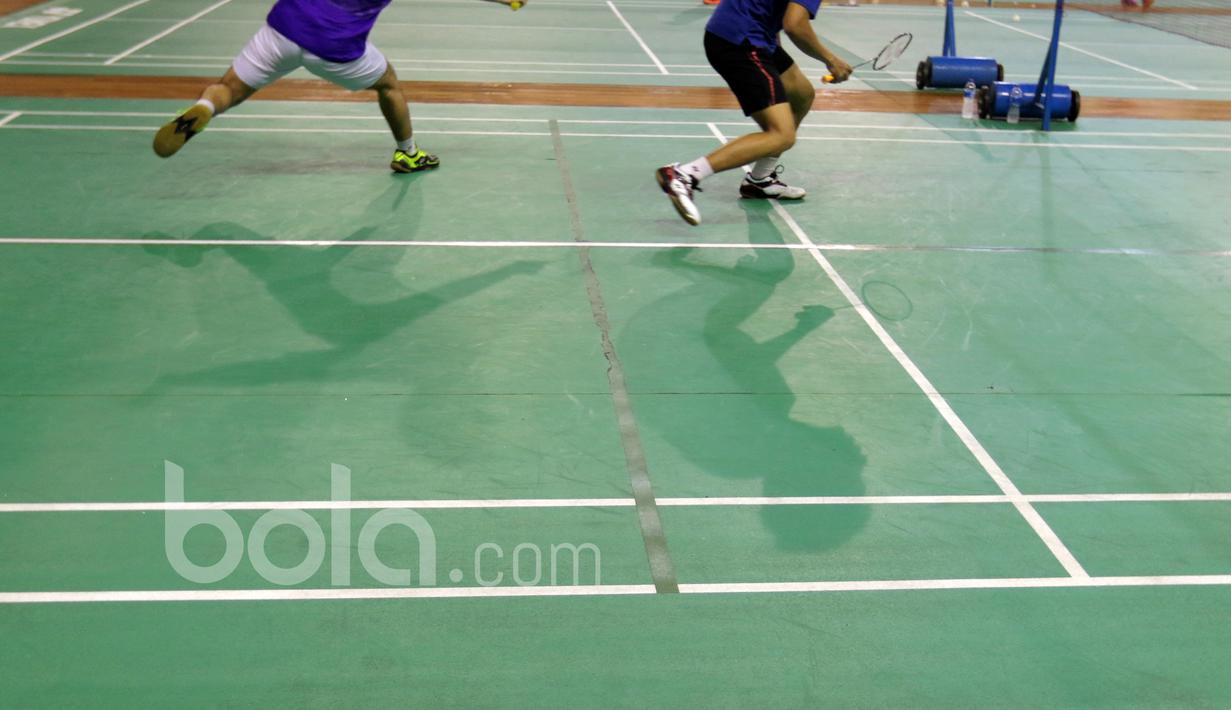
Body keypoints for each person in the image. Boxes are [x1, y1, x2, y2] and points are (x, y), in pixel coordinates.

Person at [152, 0, 525, 172]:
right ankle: (408, 153)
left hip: (285, 25)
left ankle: (205, 108)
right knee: (389, 85)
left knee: (229, 88)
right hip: (333, 46)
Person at [656, 0, 851, 225]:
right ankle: (685, 175)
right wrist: (832, 60)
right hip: (742, 41)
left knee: (801, 94)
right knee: (782, 135)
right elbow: (795, 25)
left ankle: (760, 180)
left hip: (745, 33)